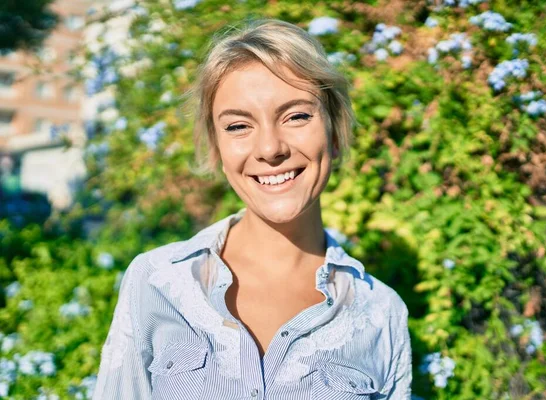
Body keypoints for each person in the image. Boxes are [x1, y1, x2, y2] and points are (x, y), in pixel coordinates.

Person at [93, 18, 412, 399]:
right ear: (217, 149)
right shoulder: (156, 282)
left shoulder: (382, 314)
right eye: (239, 126)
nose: (269, 148)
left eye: (296, 116)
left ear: (335, 132)